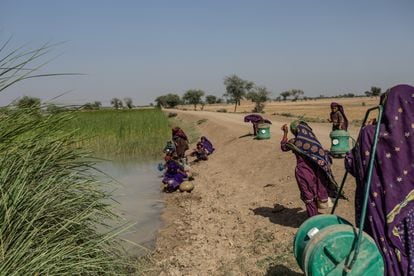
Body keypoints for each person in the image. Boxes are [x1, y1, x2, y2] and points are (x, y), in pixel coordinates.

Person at [344, 84, 414, 275]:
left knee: (391, 253)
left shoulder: (370, 134)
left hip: (383, 210)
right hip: (409, 213)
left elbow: (352, 165)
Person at [280, 120, 339, 217]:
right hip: (318, 174)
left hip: (304, 173)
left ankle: (313, 220)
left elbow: (283, 147)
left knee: (309, 197)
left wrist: (285, 133)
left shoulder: (294, 142)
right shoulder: (315, 143)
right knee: (315, 195)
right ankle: (315, 218)